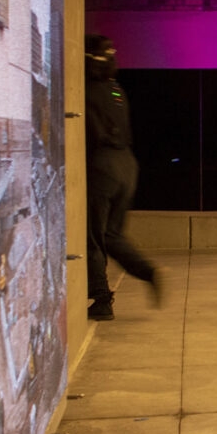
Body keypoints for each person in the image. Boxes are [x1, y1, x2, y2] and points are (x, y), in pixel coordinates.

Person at [84, 35, 158, 320]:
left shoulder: (86, 91)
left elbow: (90, 135)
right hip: (127, 165)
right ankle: (146, 270)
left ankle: (102, 300)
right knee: (112, 234)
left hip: (103, 168)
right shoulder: (117, 90)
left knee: (93, 238)